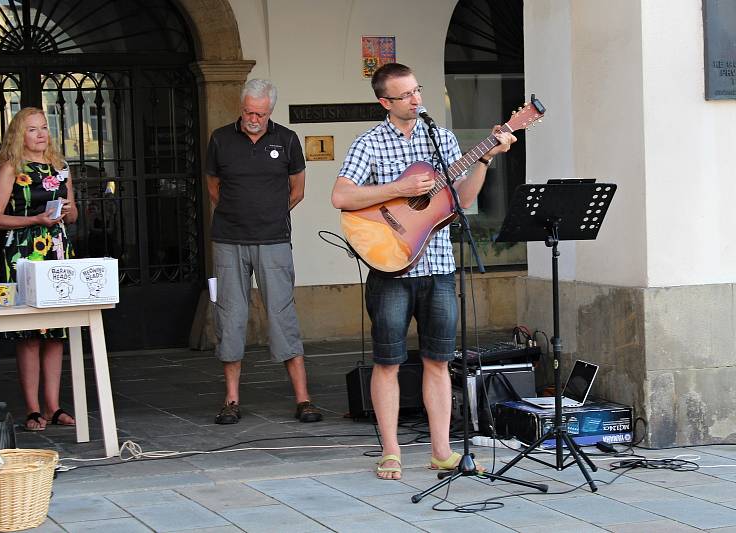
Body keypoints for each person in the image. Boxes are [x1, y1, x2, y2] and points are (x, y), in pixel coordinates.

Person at [331, 63, 517, 480]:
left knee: (438, 361)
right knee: (388, 362)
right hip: (391, 267)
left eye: (418, 90)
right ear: (385, 102)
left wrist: (485, 159)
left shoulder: (442, 137)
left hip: (437, 268)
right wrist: (398, 189)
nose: (416, 99)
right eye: (406, 95)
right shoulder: (370, 143)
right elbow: (341, 196)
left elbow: (461, 201)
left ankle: (441, 451)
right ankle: (391, 452)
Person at [205, 79, 322, 425]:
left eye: (260, 113)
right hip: (229, 240)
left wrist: (270, 214)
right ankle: (230, 400)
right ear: (241, 108)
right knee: (229, 315)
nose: (252, 118)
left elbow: (297, 189)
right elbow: (214, 187)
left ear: (270, 111)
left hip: (273, 240)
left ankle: (303, 399)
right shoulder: (221, 139)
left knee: (282, 313)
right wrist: (236, 213)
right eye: (247, 111)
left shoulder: (286, 139)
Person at [0, 107, 78, 431]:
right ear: (19, 135)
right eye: (32, 130)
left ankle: (54, 407)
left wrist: (66, 210)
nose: (41, 135)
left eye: (44, 128)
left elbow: (75, 215)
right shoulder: (12, 168)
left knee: (56, 332)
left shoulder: (61, 167)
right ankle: (32, 409)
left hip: (56, 249)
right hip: (24, 252)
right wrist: (35, 219)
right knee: (29, 333)